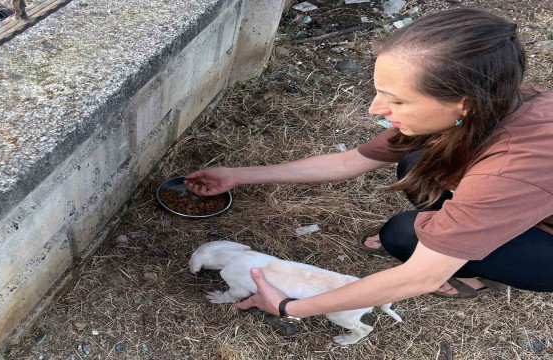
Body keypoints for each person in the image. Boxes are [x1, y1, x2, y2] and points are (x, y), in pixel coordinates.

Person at [184, 8, 553, 321]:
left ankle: (472, 272)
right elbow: (352, 160)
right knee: (416, 165)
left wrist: (290, 305)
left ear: (464, 103)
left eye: (396, 100)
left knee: (404, 235)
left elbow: (416, 279)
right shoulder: (488, 104)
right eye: (378, 91)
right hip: (521, 199)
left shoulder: (510, 167)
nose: (375, 109)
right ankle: (467, 237)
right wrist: (237, 175)